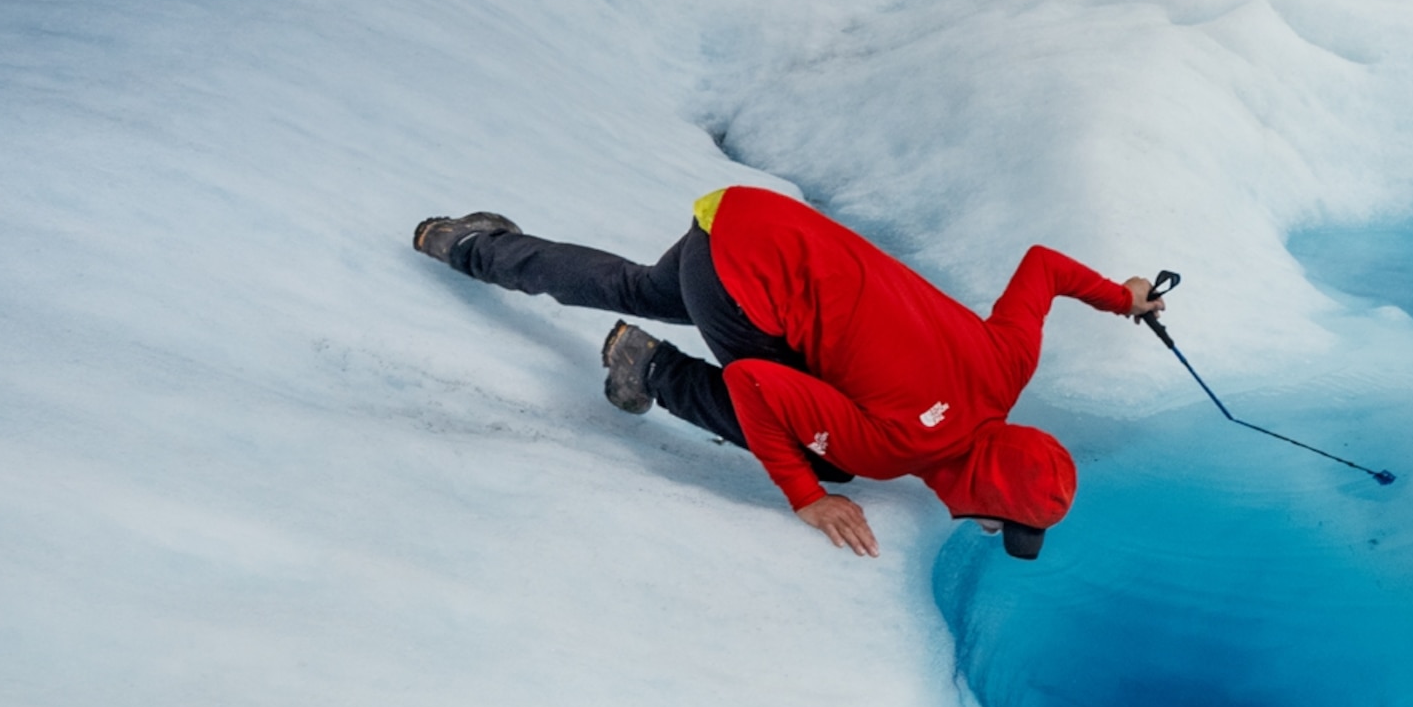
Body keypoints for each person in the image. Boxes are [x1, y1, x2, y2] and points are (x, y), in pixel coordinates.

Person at [414, 188, 1156, 558]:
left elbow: (1044, 267)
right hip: (747, 281)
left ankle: (469, 244)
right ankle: (651, 367)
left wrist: (1119, 298)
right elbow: (753, 386)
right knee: (813, 450)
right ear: (985, 506)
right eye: (999, 525)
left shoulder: (1009, 362)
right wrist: (805, 497)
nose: (990, 528)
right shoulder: (892, 449)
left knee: (643, 287)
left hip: (753, 221)